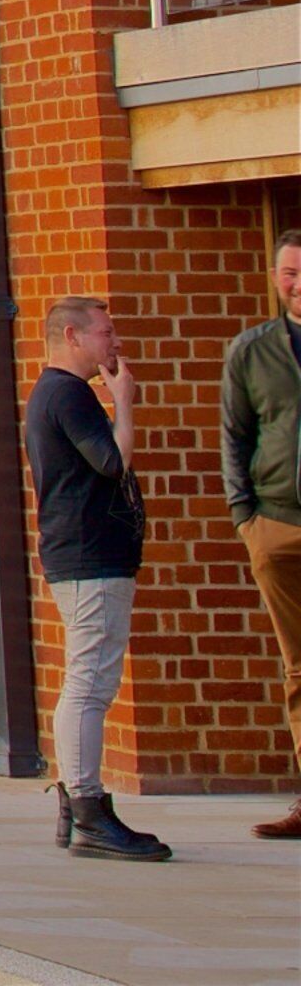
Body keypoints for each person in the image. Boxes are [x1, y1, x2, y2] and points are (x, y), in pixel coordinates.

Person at [28, 296, 165, 860]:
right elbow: (114, 462)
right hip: (88, 555)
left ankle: (78, 804)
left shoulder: (55, 394)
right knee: (90, 683)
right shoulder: (67, 393)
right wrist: (124, 403)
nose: (115, 343)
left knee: (88, 679)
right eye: (106, 334)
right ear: (72, 334)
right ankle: (88, 809)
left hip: (84, 553)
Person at [223, 231, 301, 842]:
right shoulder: (251, 351)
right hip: (278, 524)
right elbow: (235, 437)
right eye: (288, 273)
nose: (295, 283)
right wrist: (246, 519)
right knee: (299, 668)